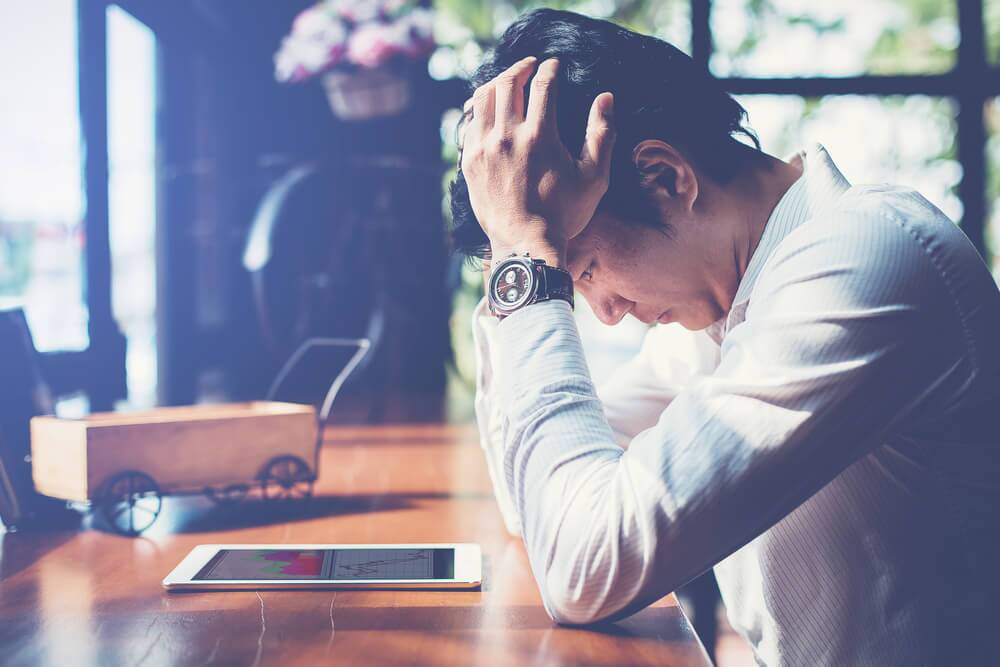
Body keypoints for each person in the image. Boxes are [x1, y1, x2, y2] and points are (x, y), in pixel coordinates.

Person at [449, 9, 1000, 667]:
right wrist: (511, 254)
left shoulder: (863, 262)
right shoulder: (723, 309)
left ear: (666, 179)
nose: (604, 312)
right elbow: (536, 506)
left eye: (587, 267)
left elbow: (583, 565)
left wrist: (530, 255)